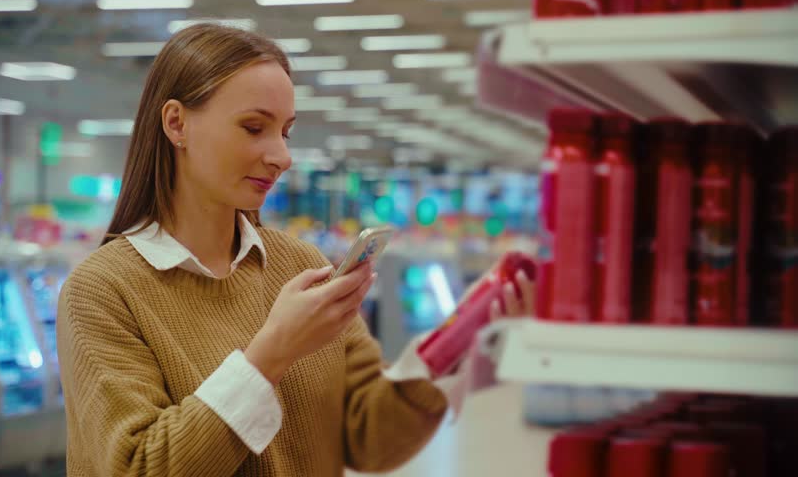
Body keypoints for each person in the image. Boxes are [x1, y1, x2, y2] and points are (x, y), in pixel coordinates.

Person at [56, 24, 534, 477]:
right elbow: (138, 465)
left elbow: (367, 436)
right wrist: (272, 353)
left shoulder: (303, 267)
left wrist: (455, 345)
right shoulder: (101, 292)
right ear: (177, 123)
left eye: (285, 132)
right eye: (253, 127)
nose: (282, 157)